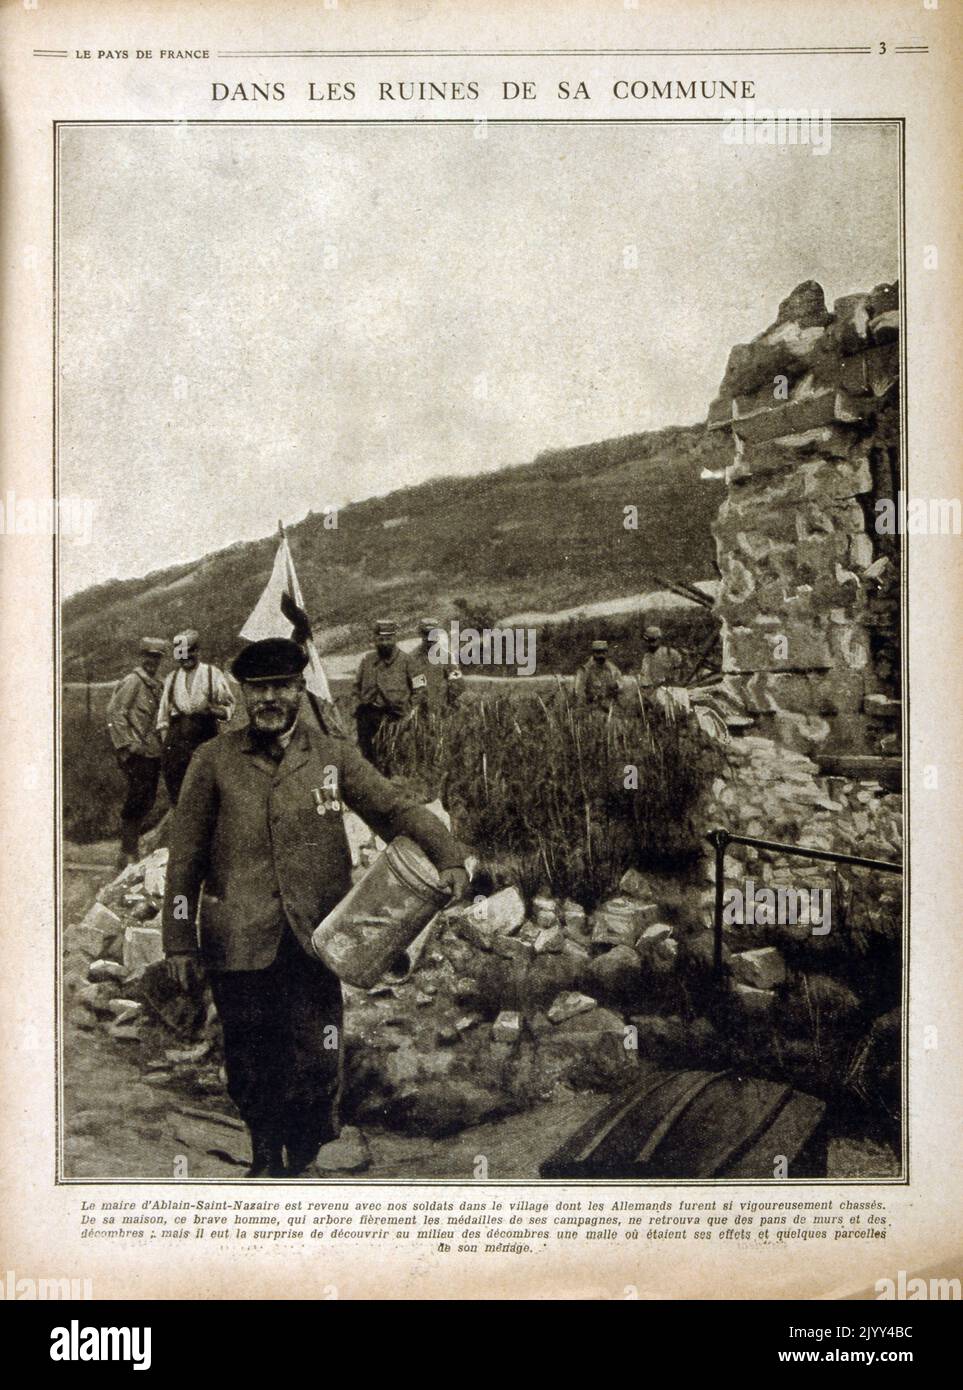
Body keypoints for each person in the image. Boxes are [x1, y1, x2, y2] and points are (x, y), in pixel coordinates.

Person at [161, 637, 470, 1178]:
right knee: (250, 1058)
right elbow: (184, 863)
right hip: (239, 938)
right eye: (258, 688)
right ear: (241, 693)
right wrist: (179, 940)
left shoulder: (332, 755)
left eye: (281, 686)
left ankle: (303, 1144)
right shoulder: (212, 762)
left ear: (300, 689)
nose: (269, 699)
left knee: (317, 1054)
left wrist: (449, 857)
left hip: (317, 939)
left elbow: (393, 808)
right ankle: (264, 1156)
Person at [105, 637, 168, 868]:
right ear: (141, 657)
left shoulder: (157, 683)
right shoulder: (133, 681)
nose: (152, 661)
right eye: (149, 656)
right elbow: (115, 714)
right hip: (136, 752)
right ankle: (127, 853)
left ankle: (131, 851)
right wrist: (128, 744)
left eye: (157, 657)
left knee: (147, 799)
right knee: (137, 798)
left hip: (152, 751)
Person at [156, 628, 235, 804]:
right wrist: (168, 746)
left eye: (190, 652)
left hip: (204, 738)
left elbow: (228, 709)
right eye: (181, 655)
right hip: (177, 743)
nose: (186, 659)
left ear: (198, 651)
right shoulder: (172, 678)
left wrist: (213, 710)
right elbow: (163, 718)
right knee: (180, 793)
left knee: (207, 790)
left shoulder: (212, 674)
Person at [353, 619, 419, 768]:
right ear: (375, 639)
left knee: (393, 757)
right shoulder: (367, 660)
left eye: (388, 638)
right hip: (368, 717)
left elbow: (420, 690)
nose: (384, 643)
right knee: (367, 758)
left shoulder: (407, 661)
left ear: (395, 638)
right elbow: (356, 686)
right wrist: (358, 705)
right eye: (380, 639)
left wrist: (409, 713)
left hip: (395, 716)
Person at [407, 618, 464, 712]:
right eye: (426, 634)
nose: (430, 638)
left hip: (441, 709)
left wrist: (449, 703)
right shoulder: (411, 658)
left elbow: (458, 683)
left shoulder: (447, 657)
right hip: (419, 711)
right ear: (420, 634)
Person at [574, 639, 622, 709]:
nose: (601, 655)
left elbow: (621, 685)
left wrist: (616, 685)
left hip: (608, 706)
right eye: (598, 652)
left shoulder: (613, 669)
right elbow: (578, 691)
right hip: (589, 706)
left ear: (606, 653)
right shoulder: (585, 670)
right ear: (593, 653)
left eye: (603, 652)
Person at [637, 625, 685, 690]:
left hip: (672, 689)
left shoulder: (671, 653)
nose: (649, 644)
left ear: (659, 639)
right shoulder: (646, 656)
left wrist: (673, 679)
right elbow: (644, 676)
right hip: (653, 692)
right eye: (647, 641)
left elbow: (682, 672)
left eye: (652, 640)